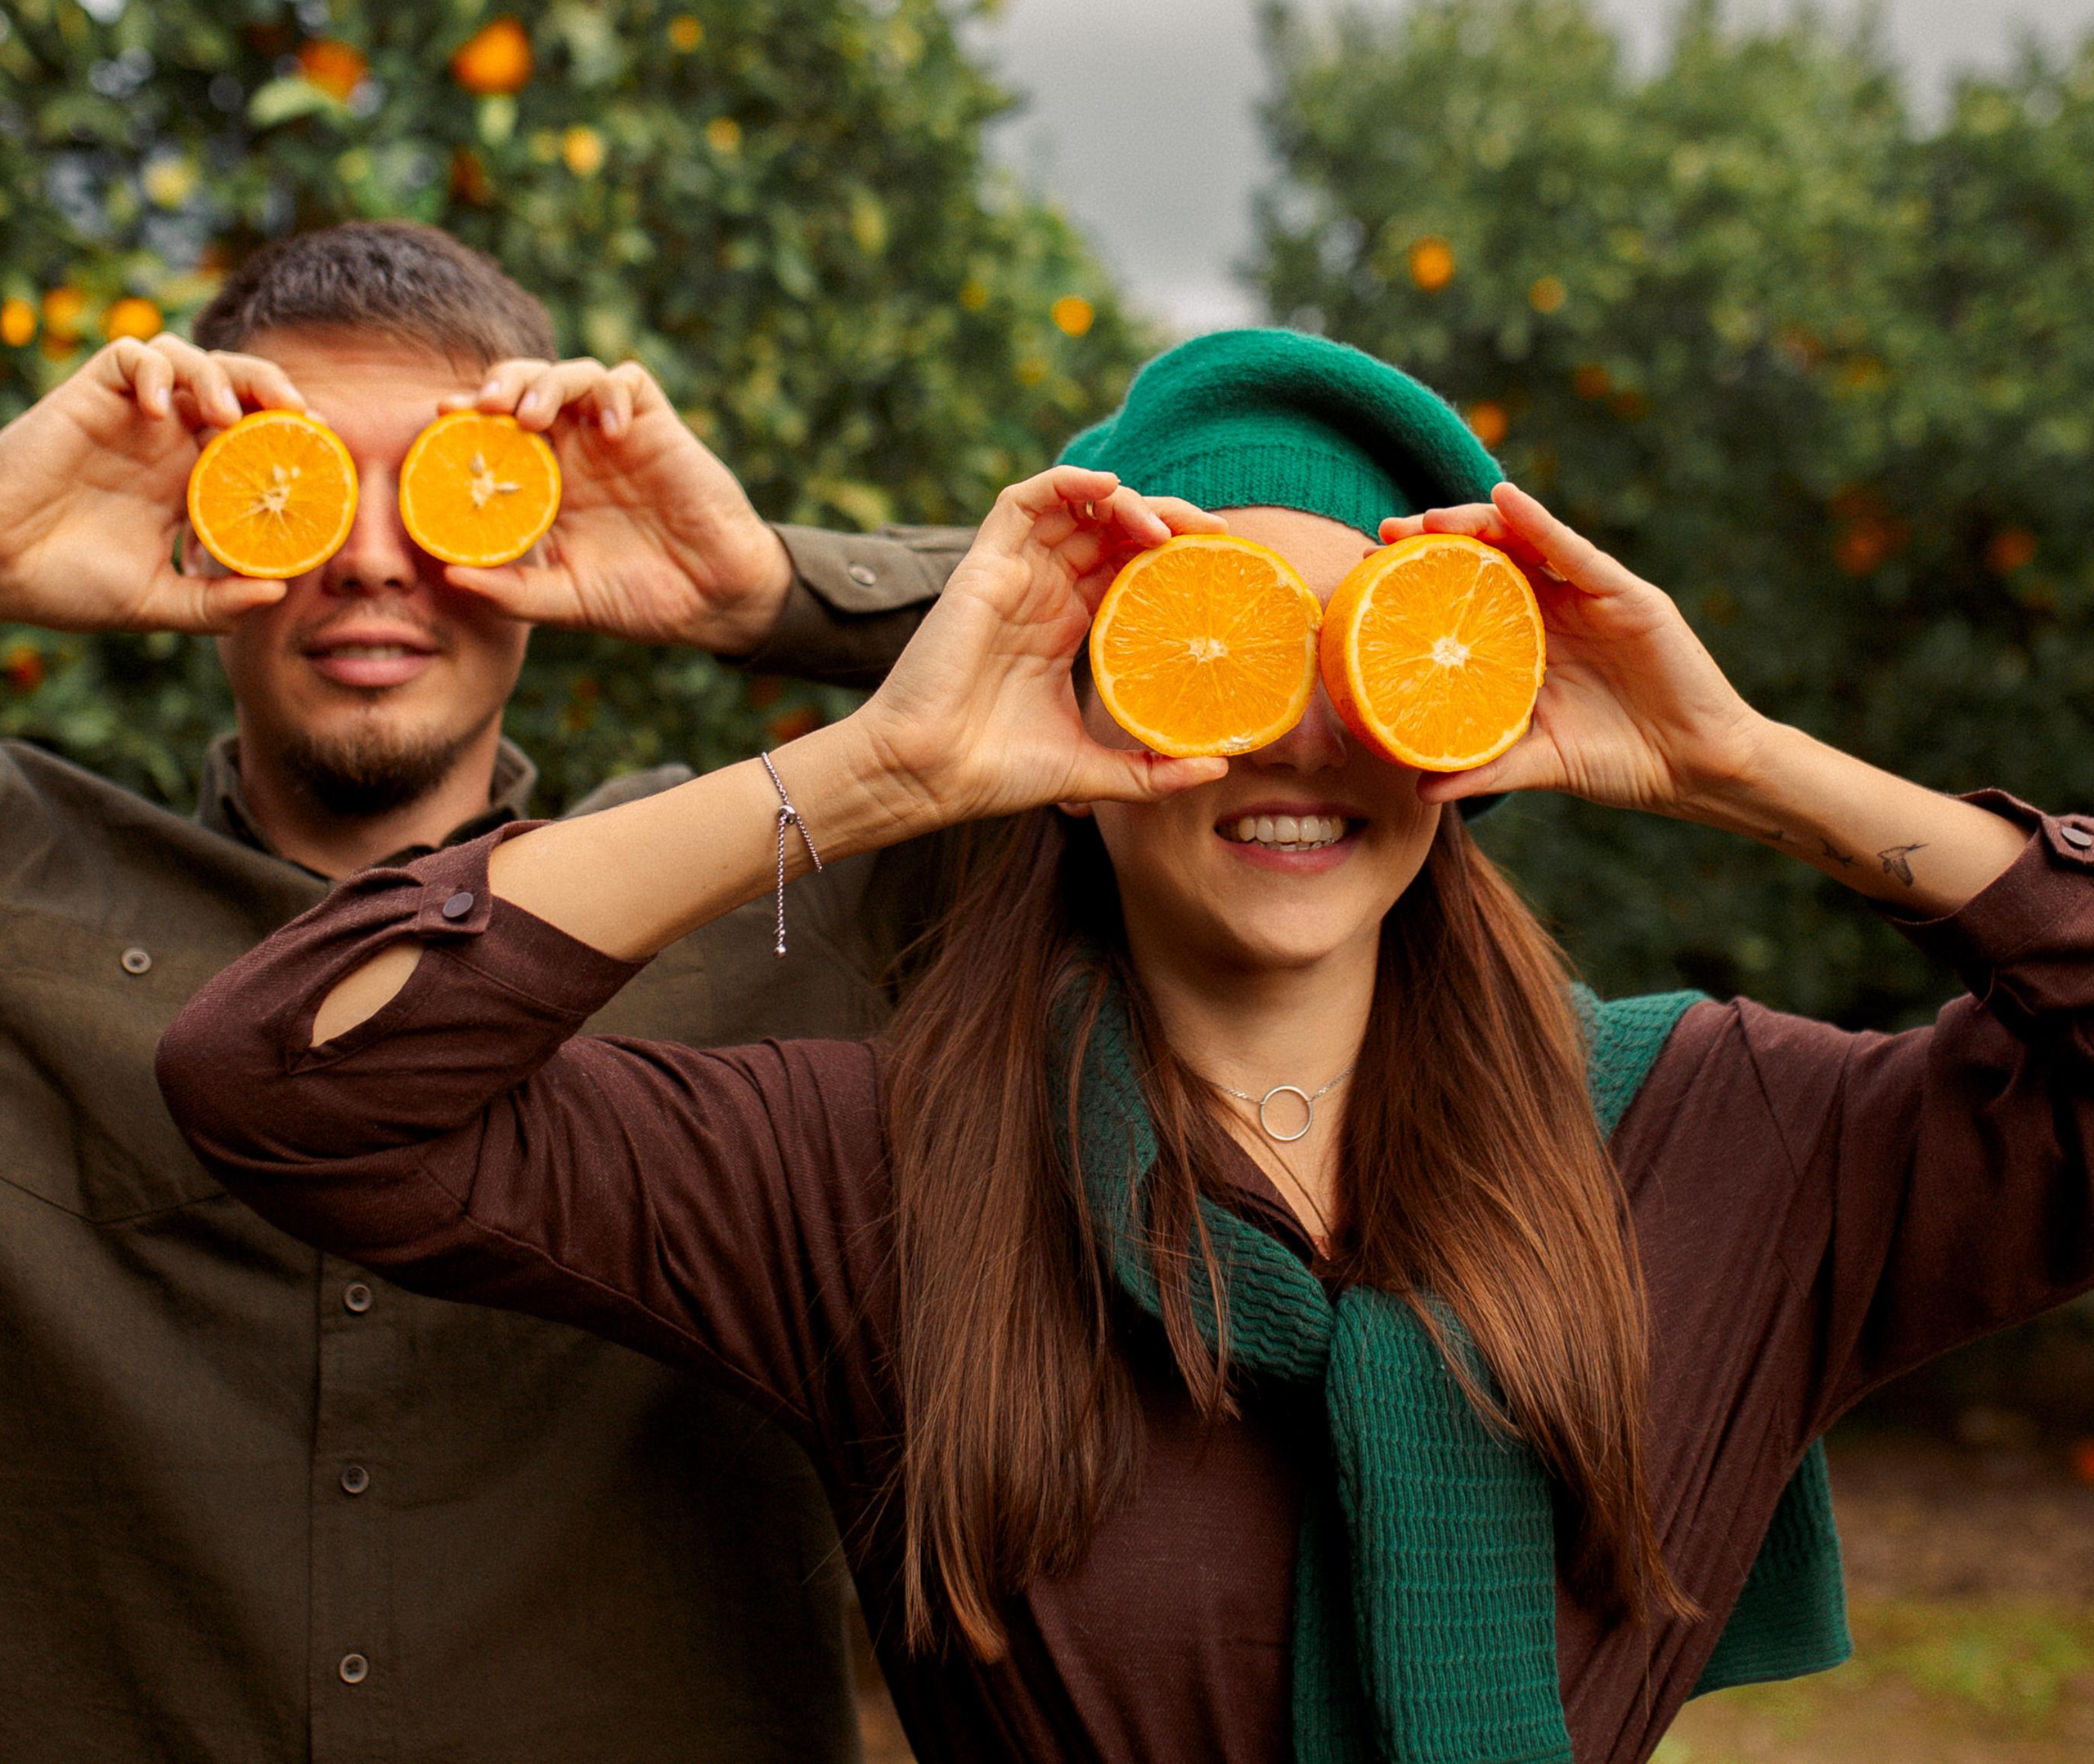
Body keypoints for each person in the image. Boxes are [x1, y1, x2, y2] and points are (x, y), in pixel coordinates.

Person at [157, 327, 2094, 1764]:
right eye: (1211, 649)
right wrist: (877, 764)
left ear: (1463, 715)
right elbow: (289, 1082)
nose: (1294, 734)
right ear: (1078, 719)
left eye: (1359, 658)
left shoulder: (1720, 1135)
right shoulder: (875, 1169)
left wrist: (1740, 763)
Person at [0, 220, 969, 1762]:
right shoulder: (24, 892)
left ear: (547, 515)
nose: (375, 557)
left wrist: (759, 588)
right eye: (306, 484)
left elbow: (1190, 662)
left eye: (451, 486)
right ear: (203, 513)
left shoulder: (787, 897)